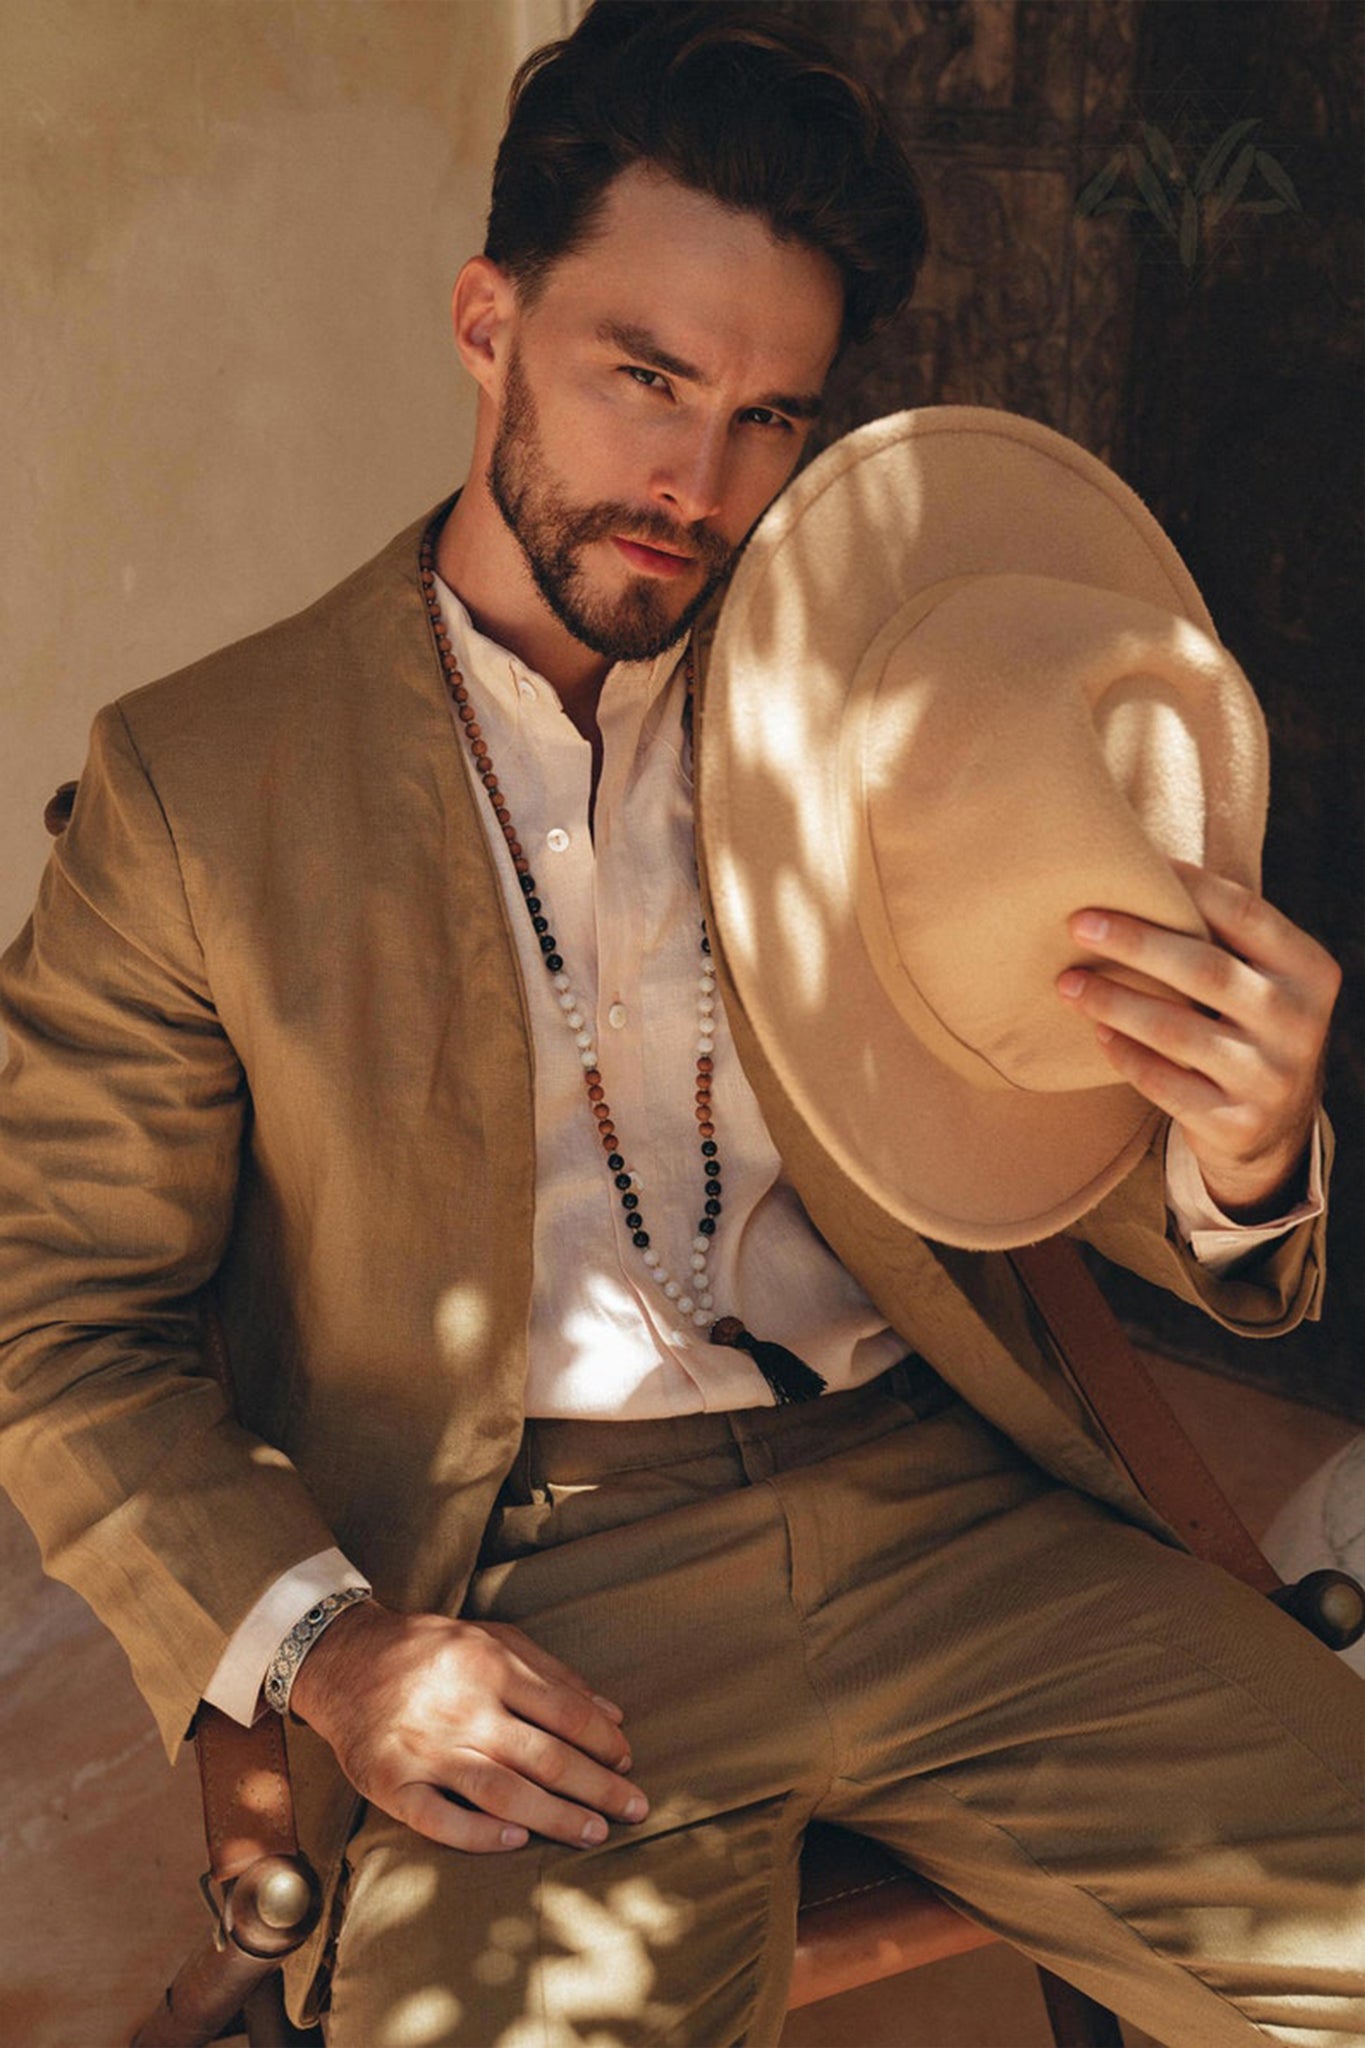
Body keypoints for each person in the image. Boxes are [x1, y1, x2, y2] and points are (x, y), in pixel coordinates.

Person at [0, 6, 1358, 2045]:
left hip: (953, 1511)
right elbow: (57, 1320)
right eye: (643, 376)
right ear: (485, 321)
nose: (693, 482)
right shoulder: (205, 783)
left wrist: (1240, 1161)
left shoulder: (888, 711)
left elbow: (1079, 1142)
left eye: (766, 419)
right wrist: (334, 1649)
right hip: (521, 1580)